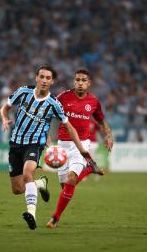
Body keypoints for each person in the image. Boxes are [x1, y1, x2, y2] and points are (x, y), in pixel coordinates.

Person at [0, 66, 93, 230]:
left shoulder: (54, 104)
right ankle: (40, 184)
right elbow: (5, 108)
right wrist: (4, 119)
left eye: (48, 78)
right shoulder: (23, 92)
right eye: (41, 76)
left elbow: (69, 127)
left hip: (35, 144)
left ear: (52, 81)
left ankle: (31, 214)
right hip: (15, 144)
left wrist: (83, 151)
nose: (44, 80)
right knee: (17, 189)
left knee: (28, 173)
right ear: (36, 77)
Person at [46, 69, 114, 229]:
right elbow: (47, 114)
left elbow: (102, 121)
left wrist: (108, 135)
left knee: (71, 179)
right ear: (74, 82)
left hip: (82, 145)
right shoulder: (63, 97)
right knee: (66, 187)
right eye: (77, 80)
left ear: (89, 83)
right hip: (62, 146)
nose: (80, 83)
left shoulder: (94, 102)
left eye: (84, 80)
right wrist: (46, 133)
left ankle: (55, 218)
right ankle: (90, 168)